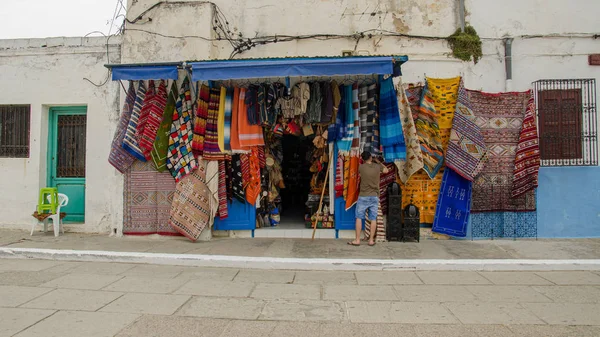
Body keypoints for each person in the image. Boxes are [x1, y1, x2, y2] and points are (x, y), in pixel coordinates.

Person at [348, 151, 389, 246]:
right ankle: (371, 240)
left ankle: (357, 240)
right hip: (374, 196)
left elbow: (355, 174)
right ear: (371, 157)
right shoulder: (377, 167)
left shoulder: (361, 167)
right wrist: (378, 161)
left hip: (363, 196)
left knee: (359, 217)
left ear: (362, 159)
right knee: (373, 218)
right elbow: (386, 170)